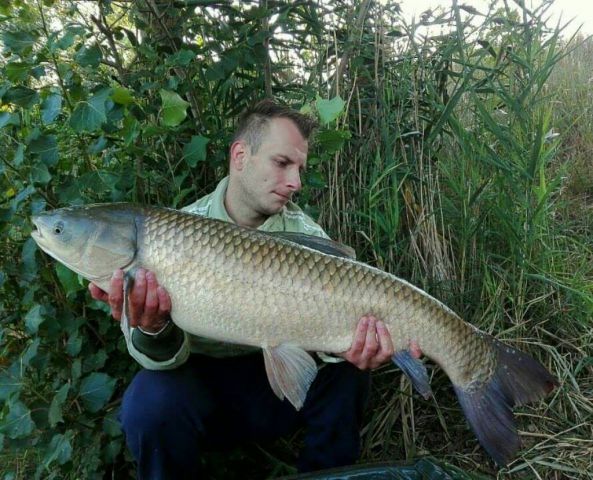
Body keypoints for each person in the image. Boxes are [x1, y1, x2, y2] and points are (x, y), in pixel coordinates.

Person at [89, 99, 421, 479]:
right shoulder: (175, 233)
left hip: (279, 389)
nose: (295, 182)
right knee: (148, 401)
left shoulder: (307, 239)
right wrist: (153, 327)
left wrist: (352, 348)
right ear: (240, 155)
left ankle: (325, 473)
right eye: (282, 163)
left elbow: (329, 344)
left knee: (348, 373)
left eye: (299, 169)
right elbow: (154, 359)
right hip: (204, 391)